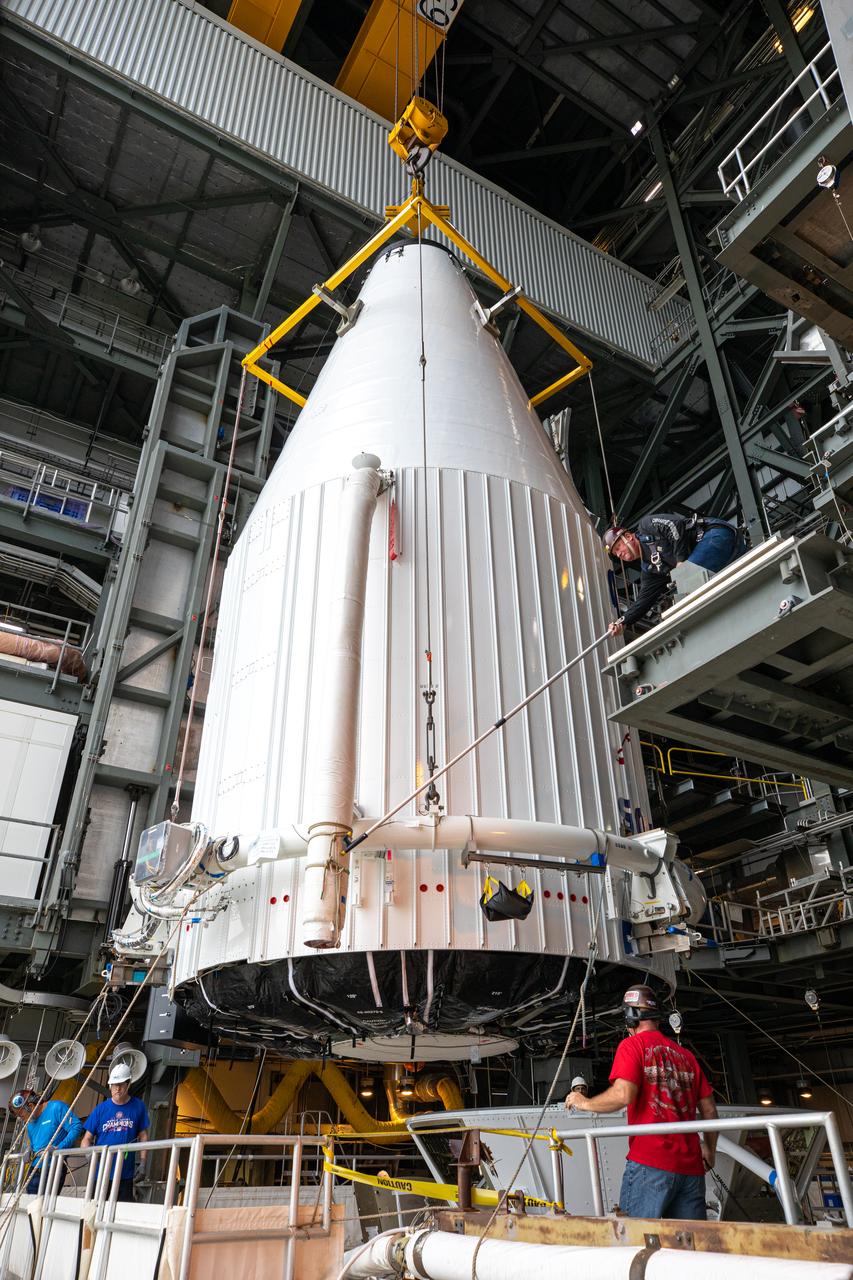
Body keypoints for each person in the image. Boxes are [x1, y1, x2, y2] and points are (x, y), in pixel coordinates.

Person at [564, 984, 718, 1220]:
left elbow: (623, 1094)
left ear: (630, 1017)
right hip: (691, 1169)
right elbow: (709, 1110)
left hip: (650, 1163)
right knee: (689, 1241)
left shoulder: (632, 1046)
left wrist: (583, 1102)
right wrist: (710, 1150)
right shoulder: (687, 1056)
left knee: (635, 1236)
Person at [603, 513, 746, 635]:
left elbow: (674, 525)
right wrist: (623, 622)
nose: (619, 553)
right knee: (685, 586)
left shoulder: (646, 526)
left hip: (715, 535)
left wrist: (680, 560)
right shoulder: (650, 569)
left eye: (618, 547)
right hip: (729, 556)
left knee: (685, 584)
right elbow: (643, 601)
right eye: (615, 553)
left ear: (628, 536)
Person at [81, 1062, 150, 1201]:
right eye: (114, 1085)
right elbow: (87, 1138)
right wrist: (88, 1154)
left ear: (128, 1084)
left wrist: (143, 1162)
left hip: (125, 1174)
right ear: (110, 1086)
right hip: (100, 1173)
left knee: (122, 1210)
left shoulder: (138, 1107)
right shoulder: (101, 1109)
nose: (117, 1089)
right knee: (96, 1209)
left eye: (121, 1085)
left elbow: (143, 1135)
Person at [10, 1088, 83, 1194]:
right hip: (35, 1169)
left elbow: (76, 1127)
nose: (22, 1119)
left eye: (22, 1115)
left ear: (31, 1106)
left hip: (53, 1168)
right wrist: (29, 1149)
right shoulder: (30, 1122)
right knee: (31, 1202)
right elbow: (34, 1143)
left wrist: (59, 1148)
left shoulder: (56, 1107)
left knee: (45, 1202)